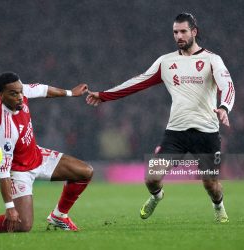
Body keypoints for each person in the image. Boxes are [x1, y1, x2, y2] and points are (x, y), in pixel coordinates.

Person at [86, 13, 234, 223]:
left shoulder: (212, 60)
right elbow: (138, 81)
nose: (179, 36)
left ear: (194, 32)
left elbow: (227, 85)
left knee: (211, 184)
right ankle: (157, 196)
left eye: (183, 31)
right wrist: (104, 95)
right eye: (175, 32)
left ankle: (218, 205)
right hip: (176, 133)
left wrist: (224, 107)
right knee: (151, 178)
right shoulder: (166, 62)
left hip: (207, 133)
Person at [0, 72, 93, 234]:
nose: (19, 96)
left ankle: (59, 216)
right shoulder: (5, 129)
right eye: (14, 94)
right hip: (19, 171)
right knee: (23, 224)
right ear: (1, 95)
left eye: (20, 91)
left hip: (36, 155)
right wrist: (9, 207)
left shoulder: (19, 91)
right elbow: (3, 171)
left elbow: (41, 89)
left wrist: (70, 93)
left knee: (85, 172)